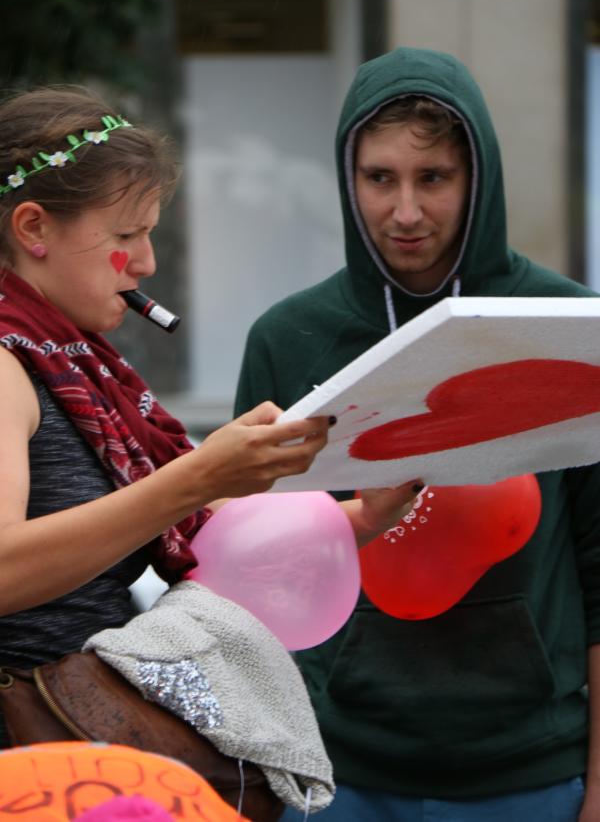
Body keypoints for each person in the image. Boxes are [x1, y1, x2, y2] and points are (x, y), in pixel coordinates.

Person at [234, 46, 600, 822]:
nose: (406, 212)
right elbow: (249, 570)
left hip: (530, 770)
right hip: (335, 770)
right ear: (347, 178)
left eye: (433, 178)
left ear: (478, 179)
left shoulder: (564, 326)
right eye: (380, 179)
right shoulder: (288, 337)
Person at [0, 85, 420, 751]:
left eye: (150, 233)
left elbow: (207, 532)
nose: (146, 263)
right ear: (33, 228)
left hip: (82, 738)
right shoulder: (6, 362)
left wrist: (362, 517)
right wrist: (198, 476)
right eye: (126, 235)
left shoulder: (77, 359)